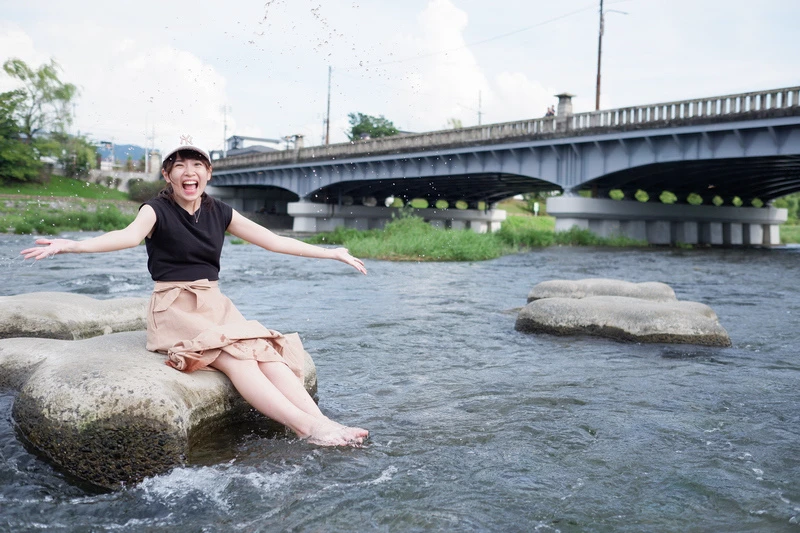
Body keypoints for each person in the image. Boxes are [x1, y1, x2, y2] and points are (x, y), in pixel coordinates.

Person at [21, 140, 369, 447]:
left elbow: (275, 241)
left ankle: (324, 422)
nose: (190, 173)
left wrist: (331, 252)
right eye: (180, 166)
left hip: (215, 304)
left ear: (208, 173)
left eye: (197, 165)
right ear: (167, 174)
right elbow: (127, 237)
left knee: (267, 355)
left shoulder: (220, 211)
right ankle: (307, 428)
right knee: (237, 360)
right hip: (174, 307)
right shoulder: (154, 210)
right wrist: (72, 246)